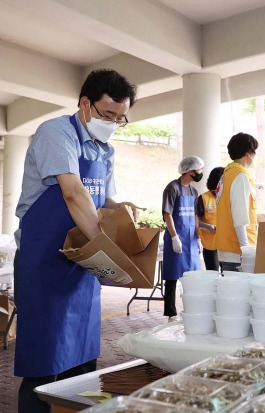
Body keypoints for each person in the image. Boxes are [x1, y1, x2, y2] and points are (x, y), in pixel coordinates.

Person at [14, 69, 138, 413]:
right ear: (85, 104)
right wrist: (106, 253)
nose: (113, 122)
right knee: (44, 360)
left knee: (83, 355)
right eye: (107, 114)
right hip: (44, 262)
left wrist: (120, 209)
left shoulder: (104, 149)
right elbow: (73, 194)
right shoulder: (57, 132)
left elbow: (104, 200)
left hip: (81, 263)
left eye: (119, 117)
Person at [162, 156, 204, 318]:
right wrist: (174, 237)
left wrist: (198, 238)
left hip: (191, 239)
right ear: (191, 171)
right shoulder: (172, 188)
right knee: (172, 276)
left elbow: (195, 216)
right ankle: (171, 313)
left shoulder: (194, 191)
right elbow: (167, 214)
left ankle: (191, 310)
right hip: (177, 237)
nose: (201, 173)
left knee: (192, 278)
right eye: (199, 170)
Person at [215, 133, 259, 273]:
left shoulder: (227, 174)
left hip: (228, 249)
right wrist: (246, 251)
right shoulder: (240, 176)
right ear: (248, 153)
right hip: (238, 252)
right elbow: (239, 217)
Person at [197, 167, 224, 271]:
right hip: (210, 246)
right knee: (212, 276)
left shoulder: (229, 198)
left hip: (227, 245)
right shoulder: (203, 198)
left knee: (228, 276)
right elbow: (196, 221)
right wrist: (208, 227)